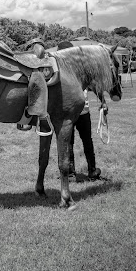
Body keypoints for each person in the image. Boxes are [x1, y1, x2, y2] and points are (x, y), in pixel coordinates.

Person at [57, 40, 101, 180]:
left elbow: (95, 86)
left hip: (74, 112)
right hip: (77, 112)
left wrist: (104, 102)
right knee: (82, 141)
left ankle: (74, 172)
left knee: (74, 142)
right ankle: (88, 171)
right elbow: (95, 86)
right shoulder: (71, 71)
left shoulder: (66, 71)